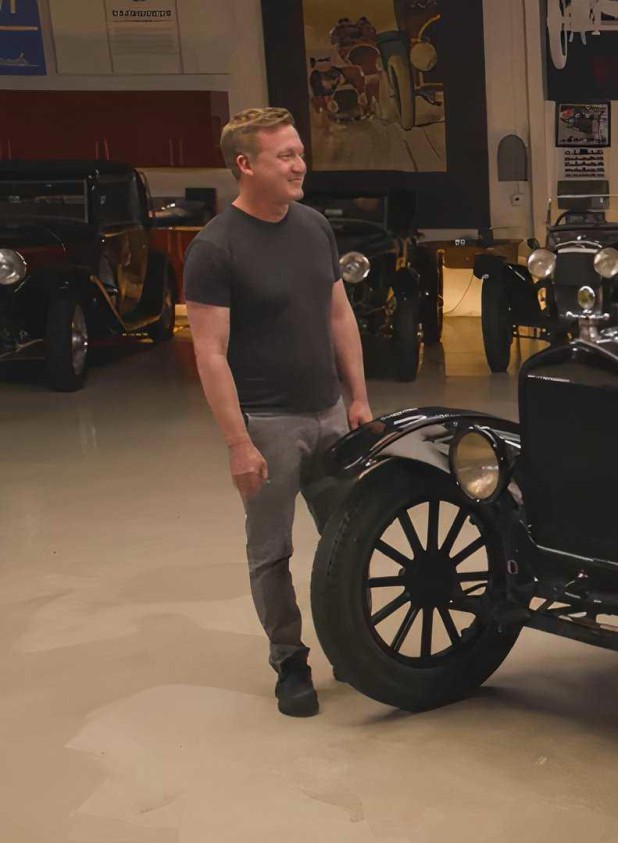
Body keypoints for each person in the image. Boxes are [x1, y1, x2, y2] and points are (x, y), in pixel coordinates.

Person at [184, 107, 373, 717]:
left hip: (328, 414)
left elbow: (338, 316)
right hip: (266, 424)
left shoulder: (315, 227)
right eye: (284, 156)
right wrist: (239, 442)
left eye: (298, 152)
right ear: (246, 165)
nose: (299, 165)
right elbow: (210, 354)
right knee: (271, 552)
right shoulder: (216, 248)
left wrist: (359, 401)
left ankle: (353, 647)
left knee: (350, 538)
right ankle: (289, 661)